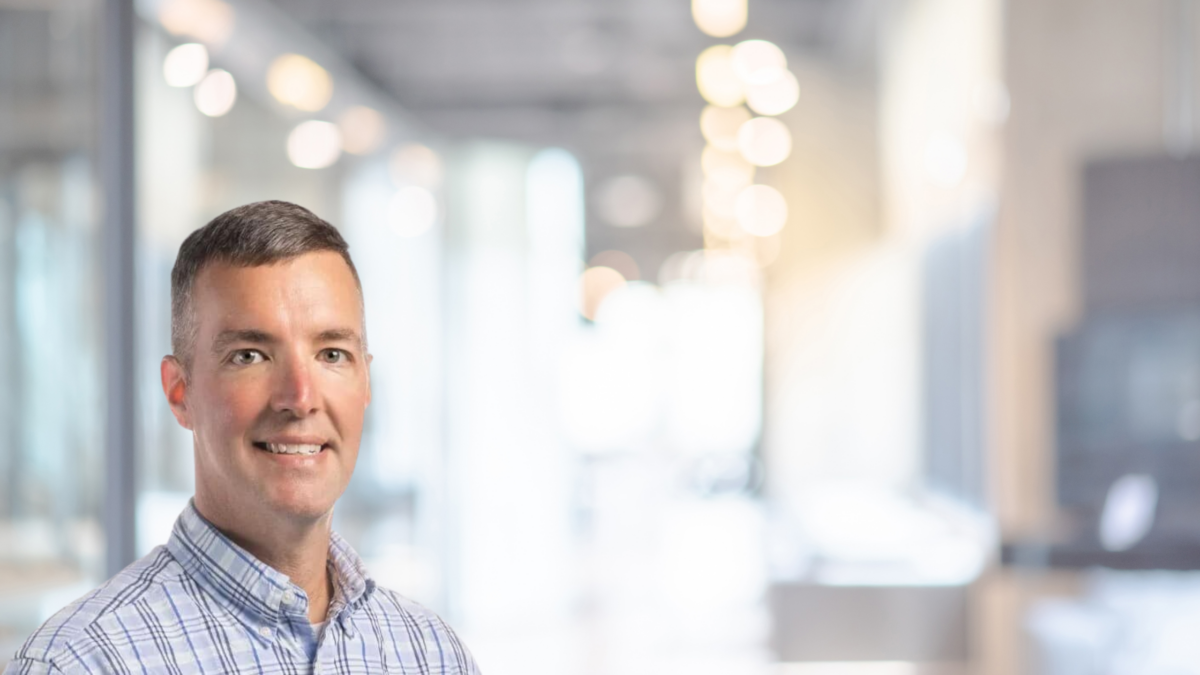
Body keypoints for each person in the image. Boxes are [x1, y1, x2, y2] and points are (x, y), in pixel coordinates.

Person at [5, 201, 480, 674]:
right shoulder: (81, 663)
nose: (300, 398)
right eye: (250, 356)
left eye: (332, 354)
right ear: (179, 392)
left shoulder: (431, 654)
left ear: (366, 382)